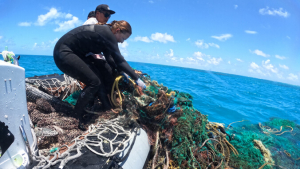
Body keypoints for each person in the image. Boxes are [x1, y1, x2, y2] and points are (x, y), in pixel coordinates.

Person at [53, 21, 146, 128]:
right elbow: (120, 60)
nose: (122, 42)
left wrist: (123, 72)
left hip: (75, 54)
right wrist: (137, 79)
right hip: (63, 53)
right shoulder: (108, 35)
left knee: (98, 77)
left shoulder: (106, 35)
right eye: (123, 38)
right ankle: (76, 116)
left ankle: (106, 107)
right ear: (118, 31)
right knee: (94, 82)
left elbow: (111, 59)